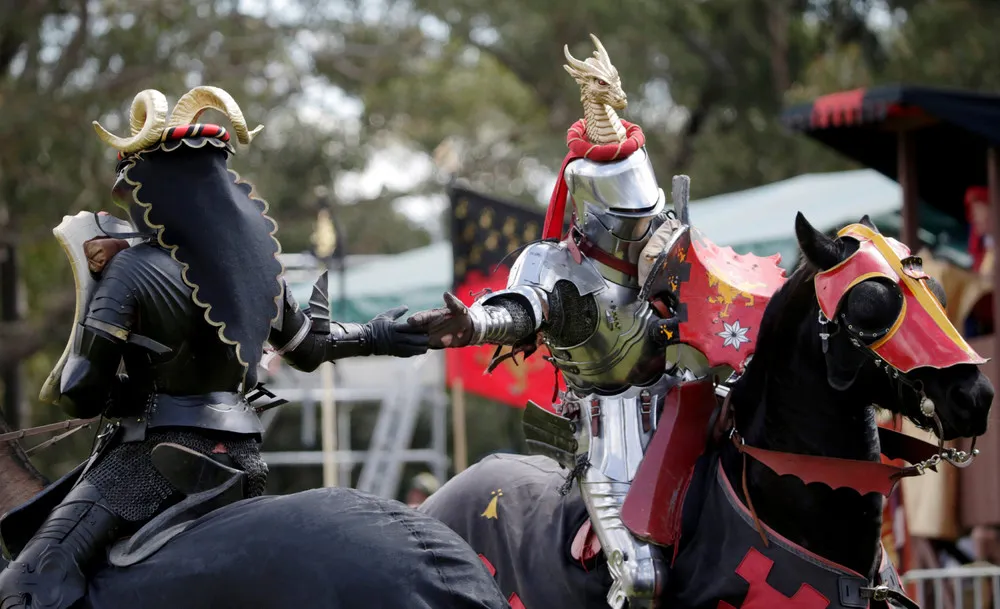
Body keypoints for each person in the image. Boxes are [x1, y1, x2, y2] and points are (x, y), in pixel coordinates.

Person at [0, 86, 432, 609]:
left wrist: (107, 384)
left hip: (151, 460)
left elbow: (80, 395)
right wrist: (381, 334)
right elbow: (310, 348)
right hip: (243, 458)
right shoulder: (255, 271)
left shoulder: (132, 270)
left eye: (130, 188)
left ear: (153, 189)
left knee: (25, 586)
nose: (127, 202)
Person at [411, 35, 687, 608]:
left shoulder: (674, 250)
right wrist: (477, 323)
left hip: (692, 418)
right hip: (614, 442)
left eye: (646, 213)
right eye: (627, 215)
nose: (641, 228)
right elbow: (523, 309)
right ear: (593, 207)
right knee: (641, 580)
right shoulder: (554, 265)